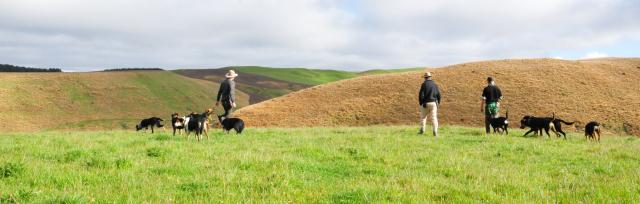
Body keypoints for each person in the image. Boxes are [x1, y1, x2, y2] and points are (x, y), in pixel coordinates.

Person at [418, 72, 441, 136]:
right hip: (433, 103)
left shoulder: (423, 84)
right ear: (430, 77)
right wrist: (438, 102)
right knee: (434, 117)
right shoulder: (435, 84)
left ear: (425, 78)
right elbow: (439, 95)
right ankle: (435, 131)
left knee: (423, 117)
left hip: (425, 103)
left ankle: (422, 130)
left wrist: (421, 103)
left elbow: (421, 95)